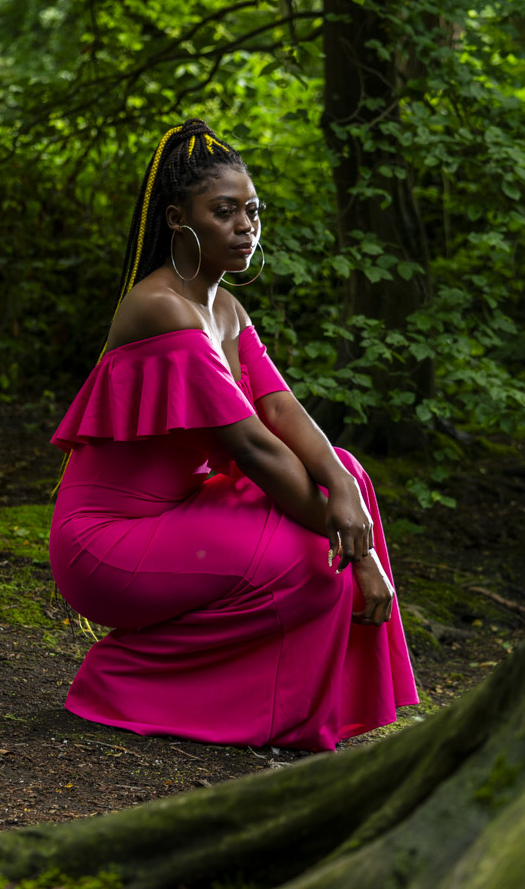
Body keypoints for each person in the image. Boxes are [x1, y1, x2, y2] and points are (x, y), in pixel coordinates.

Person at [49, 118, 418, 751]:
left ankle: (293, 705)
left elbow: (282, 411)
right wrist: (359, 555)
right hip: (105, 544)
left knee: (347, 471)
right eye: (225, 211)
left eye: (253, 211)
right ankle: (118, 681)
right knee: (315, 564)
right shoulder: (161, 307)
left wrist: (346, 498)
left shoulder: (224, 307)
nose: (246, 225)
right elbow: (252, 447)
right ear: (175, 219)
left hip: (174, 519)